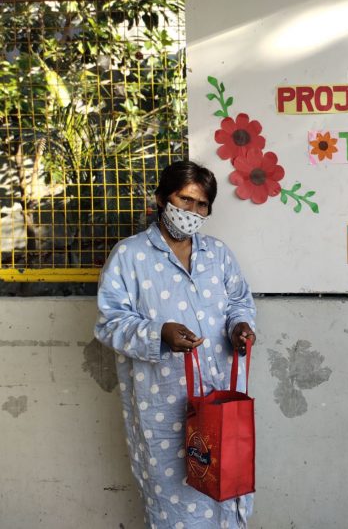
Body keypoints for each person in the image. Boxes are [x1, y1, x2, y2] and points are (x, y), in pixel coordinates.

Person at [95, 161, 257, 528]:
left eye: (202, 205)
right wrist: (159, 333)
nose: (192, 211)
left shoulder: (218, 254)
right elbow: (109, 323)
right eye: (185, 200)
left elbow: (239, 303)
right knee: (173, 499)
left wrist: (240, 327)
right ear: (161, 199)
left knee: (224, 486)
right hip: (162, 407)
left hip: (221, 400)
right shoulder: (130, 256)